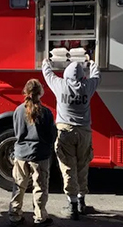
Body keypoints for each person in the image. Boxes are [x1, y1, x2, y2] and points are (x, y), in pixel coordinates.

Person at [41, 58, 101, 220]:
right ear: (82, 77)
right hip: (84, 132)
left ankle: (72, 204)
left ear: (66, 75)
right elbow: (96, 76)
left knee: (68, 167)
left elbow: (47, 74)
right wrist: (92, 63)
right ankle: (82, 201)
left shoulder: (60, 86)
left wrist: (46, 62)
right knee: (83, 166)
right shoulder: (87, 87)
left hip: (65, 132)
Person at [8, 79, 56, 227]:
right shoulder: (46, 112)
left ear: (25, 92)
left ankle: (15, 214)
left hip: (21, 153)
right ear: (41, 93)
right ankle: (40, 216)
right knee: (40, 186)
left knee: (19, 185)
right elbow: (51, 136)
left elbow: (17, 132)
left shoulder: (18, 110)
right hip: (39, 154)